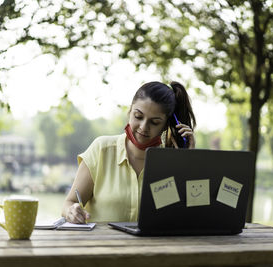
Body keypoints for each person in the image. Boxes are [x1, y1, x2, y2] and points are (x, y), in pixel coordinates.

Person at [61, 81, 196, 223]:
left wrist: (187, 159)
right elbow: (68, 203)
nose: (144, 127)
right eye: (138, 116)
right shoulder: (101, 149)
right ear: (130, 111)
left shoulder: (171, 162)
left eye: (154, 122)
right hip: (101, 244)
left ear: (166, 126)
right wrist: (71, 211)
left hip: (153, 245)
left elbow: (183, 217)